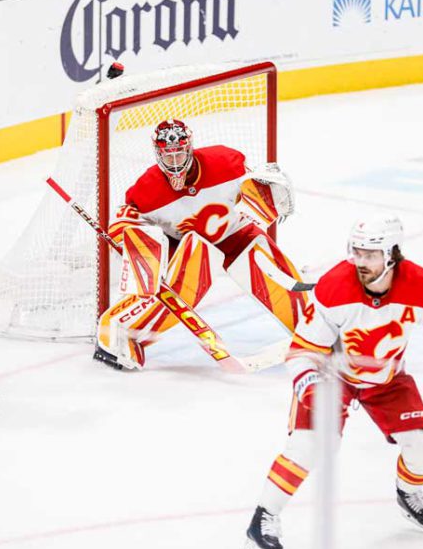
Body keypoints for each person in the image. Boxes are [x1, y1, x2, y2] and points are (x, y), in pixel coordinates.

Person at [241, 216, 423, 549]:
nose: (360, 262)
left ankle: (409, 493)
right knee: (311, 446)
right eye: (357, 252)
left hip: (387, 379)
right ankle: (263, 518)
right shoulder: (334, 288)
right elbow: (303, 351)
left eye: (370, 255)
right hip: (332, 375)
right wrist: (310, 384)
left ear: (392, 254)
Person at [95, 118, 305, 371]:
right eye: (168, 155)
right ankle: (120, 329)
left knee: (269, 269)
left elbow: (252, 187)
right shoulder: (146, 190)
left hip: (236, 234)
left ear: (190, 148)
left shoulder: (226, 162)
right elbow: (124, 221)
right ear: (158, 154)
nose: (175, 161)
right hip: (189, 250)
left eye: (179, 153)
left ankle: (313, 329)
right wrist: (126, 235)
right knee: (195, 252)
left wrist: (266, 191)